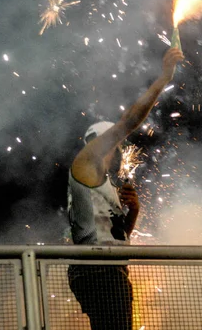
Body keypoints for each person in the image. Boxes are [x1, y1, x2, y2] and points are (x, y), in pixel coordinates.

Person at [67, 47, 184, 330]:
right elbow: (128, 121)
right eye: (114, 143)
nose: (117, 150)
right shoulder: (86, 164)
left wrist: (132, 214)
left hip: (107, 268)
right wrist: (163, 79)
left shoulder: (101, 183)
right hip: (99, 270)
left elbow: (114, 239)